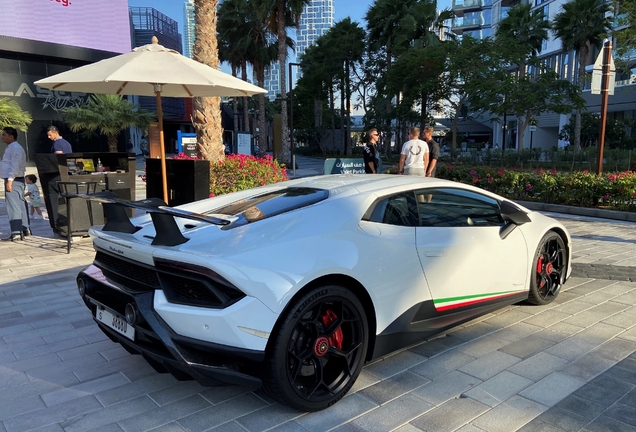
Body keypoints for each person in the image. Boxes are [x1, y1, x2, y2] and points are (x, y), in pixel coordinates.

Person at [1, 127, 30, 241]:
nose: (2, 137)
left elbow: (15, 165)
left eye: (4, 135)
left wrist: (10, 180)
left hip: (14, 180)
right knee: (20, 204)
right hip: (15, 179)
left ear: (11, 136)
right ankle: (24, 228)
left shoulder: (15, 148)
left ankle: (16, 231)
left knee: (14, 206)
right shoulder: (11, 147)